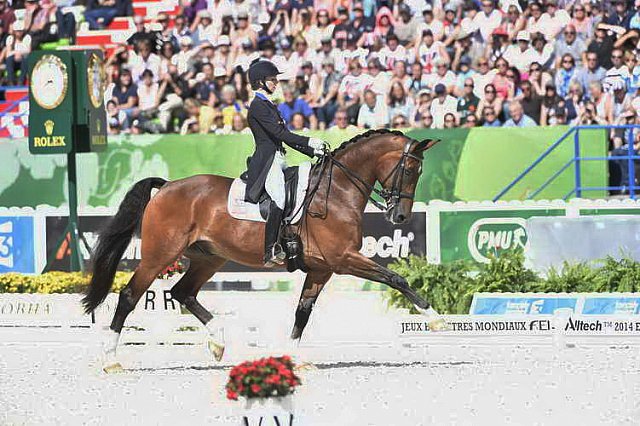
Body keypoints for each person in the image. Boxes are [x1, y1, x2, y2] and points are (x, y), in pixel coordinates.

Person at [245, 59, 328, 266]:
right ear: (260, 82)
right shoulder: (257, 105)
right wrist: (309, 141)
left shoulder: (269, 105)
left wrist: (311, 150)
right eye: (272, 79)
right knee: (280, 198)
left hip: (279, 157)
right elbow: (280, 133)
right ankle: (270, 249)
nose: (276, 83)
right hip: (267, 161)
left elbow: (283, 137)